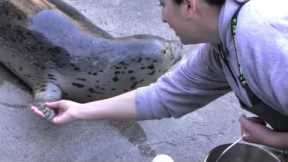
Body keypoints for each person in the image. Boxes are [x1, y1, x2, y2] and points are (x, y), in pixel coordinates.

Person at [32, 0, 288, 150]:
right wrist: (78, 111)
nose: (163, 18)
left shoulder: (263, 39)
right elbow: (166, 96)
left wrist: (272, 139)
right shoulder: (223, 43)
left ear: (189, 6)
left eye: (163, 4)